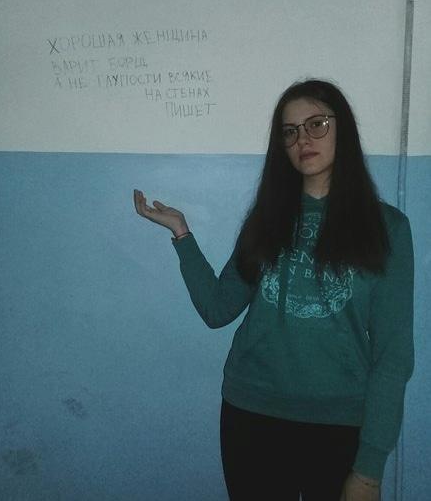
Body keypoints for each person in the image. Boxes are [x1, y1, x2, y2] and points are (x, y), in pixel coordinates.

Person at [133, 79, 414, 501]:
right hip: (252, 417)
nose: (303, 139)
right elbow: (217, 309)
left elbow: (393, 356)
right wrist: (182, 234)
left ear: (343, 129)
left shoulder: (387, 227)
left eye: (316, 124)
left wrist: (370, 471)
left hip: (340, 424)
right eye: (290, 131)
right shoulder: (266, 221)